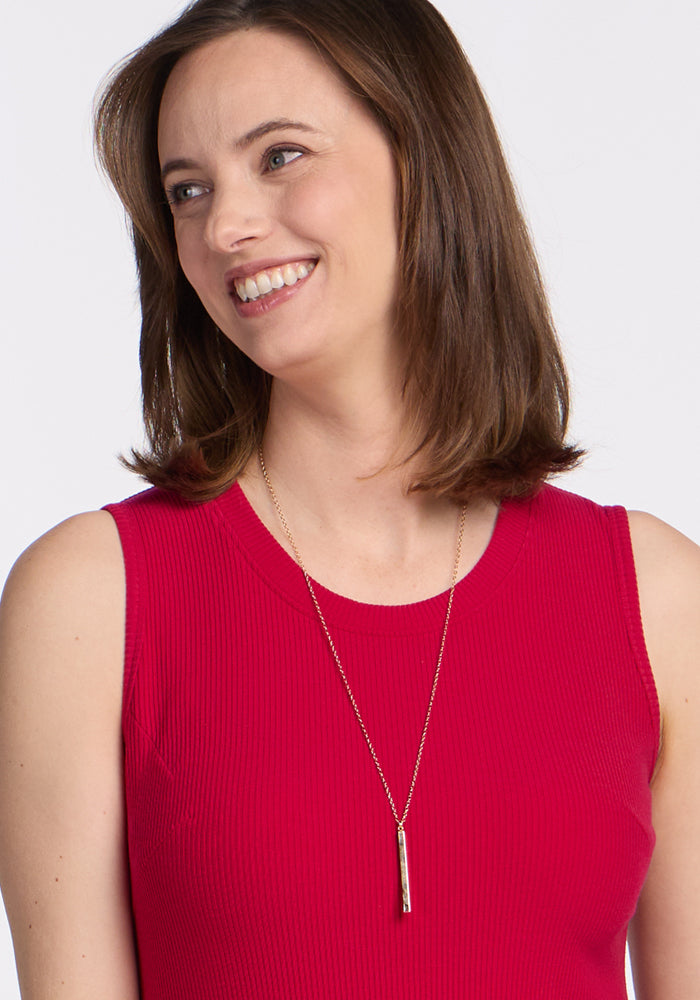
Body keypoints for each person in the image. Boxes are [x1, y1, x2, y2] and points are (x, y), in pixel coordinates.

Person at [0, 0, 698, 996]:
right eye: (187, 190)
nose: (225, 226)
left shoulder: (657, 599)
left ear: (424, 156)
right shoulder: (90, 600)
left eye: (279, 156)